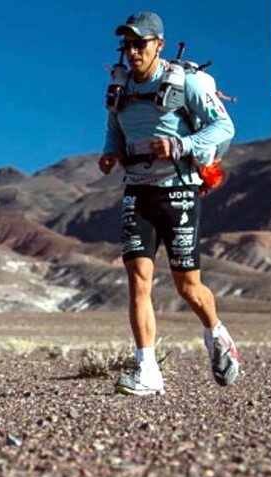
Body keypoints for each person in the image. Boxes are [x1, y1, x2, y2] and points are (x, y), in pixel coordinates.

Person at [98, 11, 239, 396]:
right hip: (137, 191)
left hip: (178, 190)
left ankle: (216, 334)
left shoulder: (186, 83)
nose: (131, 51)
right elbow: (114, 130)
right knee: (138, 281)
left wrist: (181, 145)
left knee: (188, 287)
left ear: (158, 45)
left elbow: (225, 127)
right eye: (126, 44)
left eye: (139, 43)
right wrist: (110, 154)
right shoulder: (119, 87)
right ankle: (147, 371)